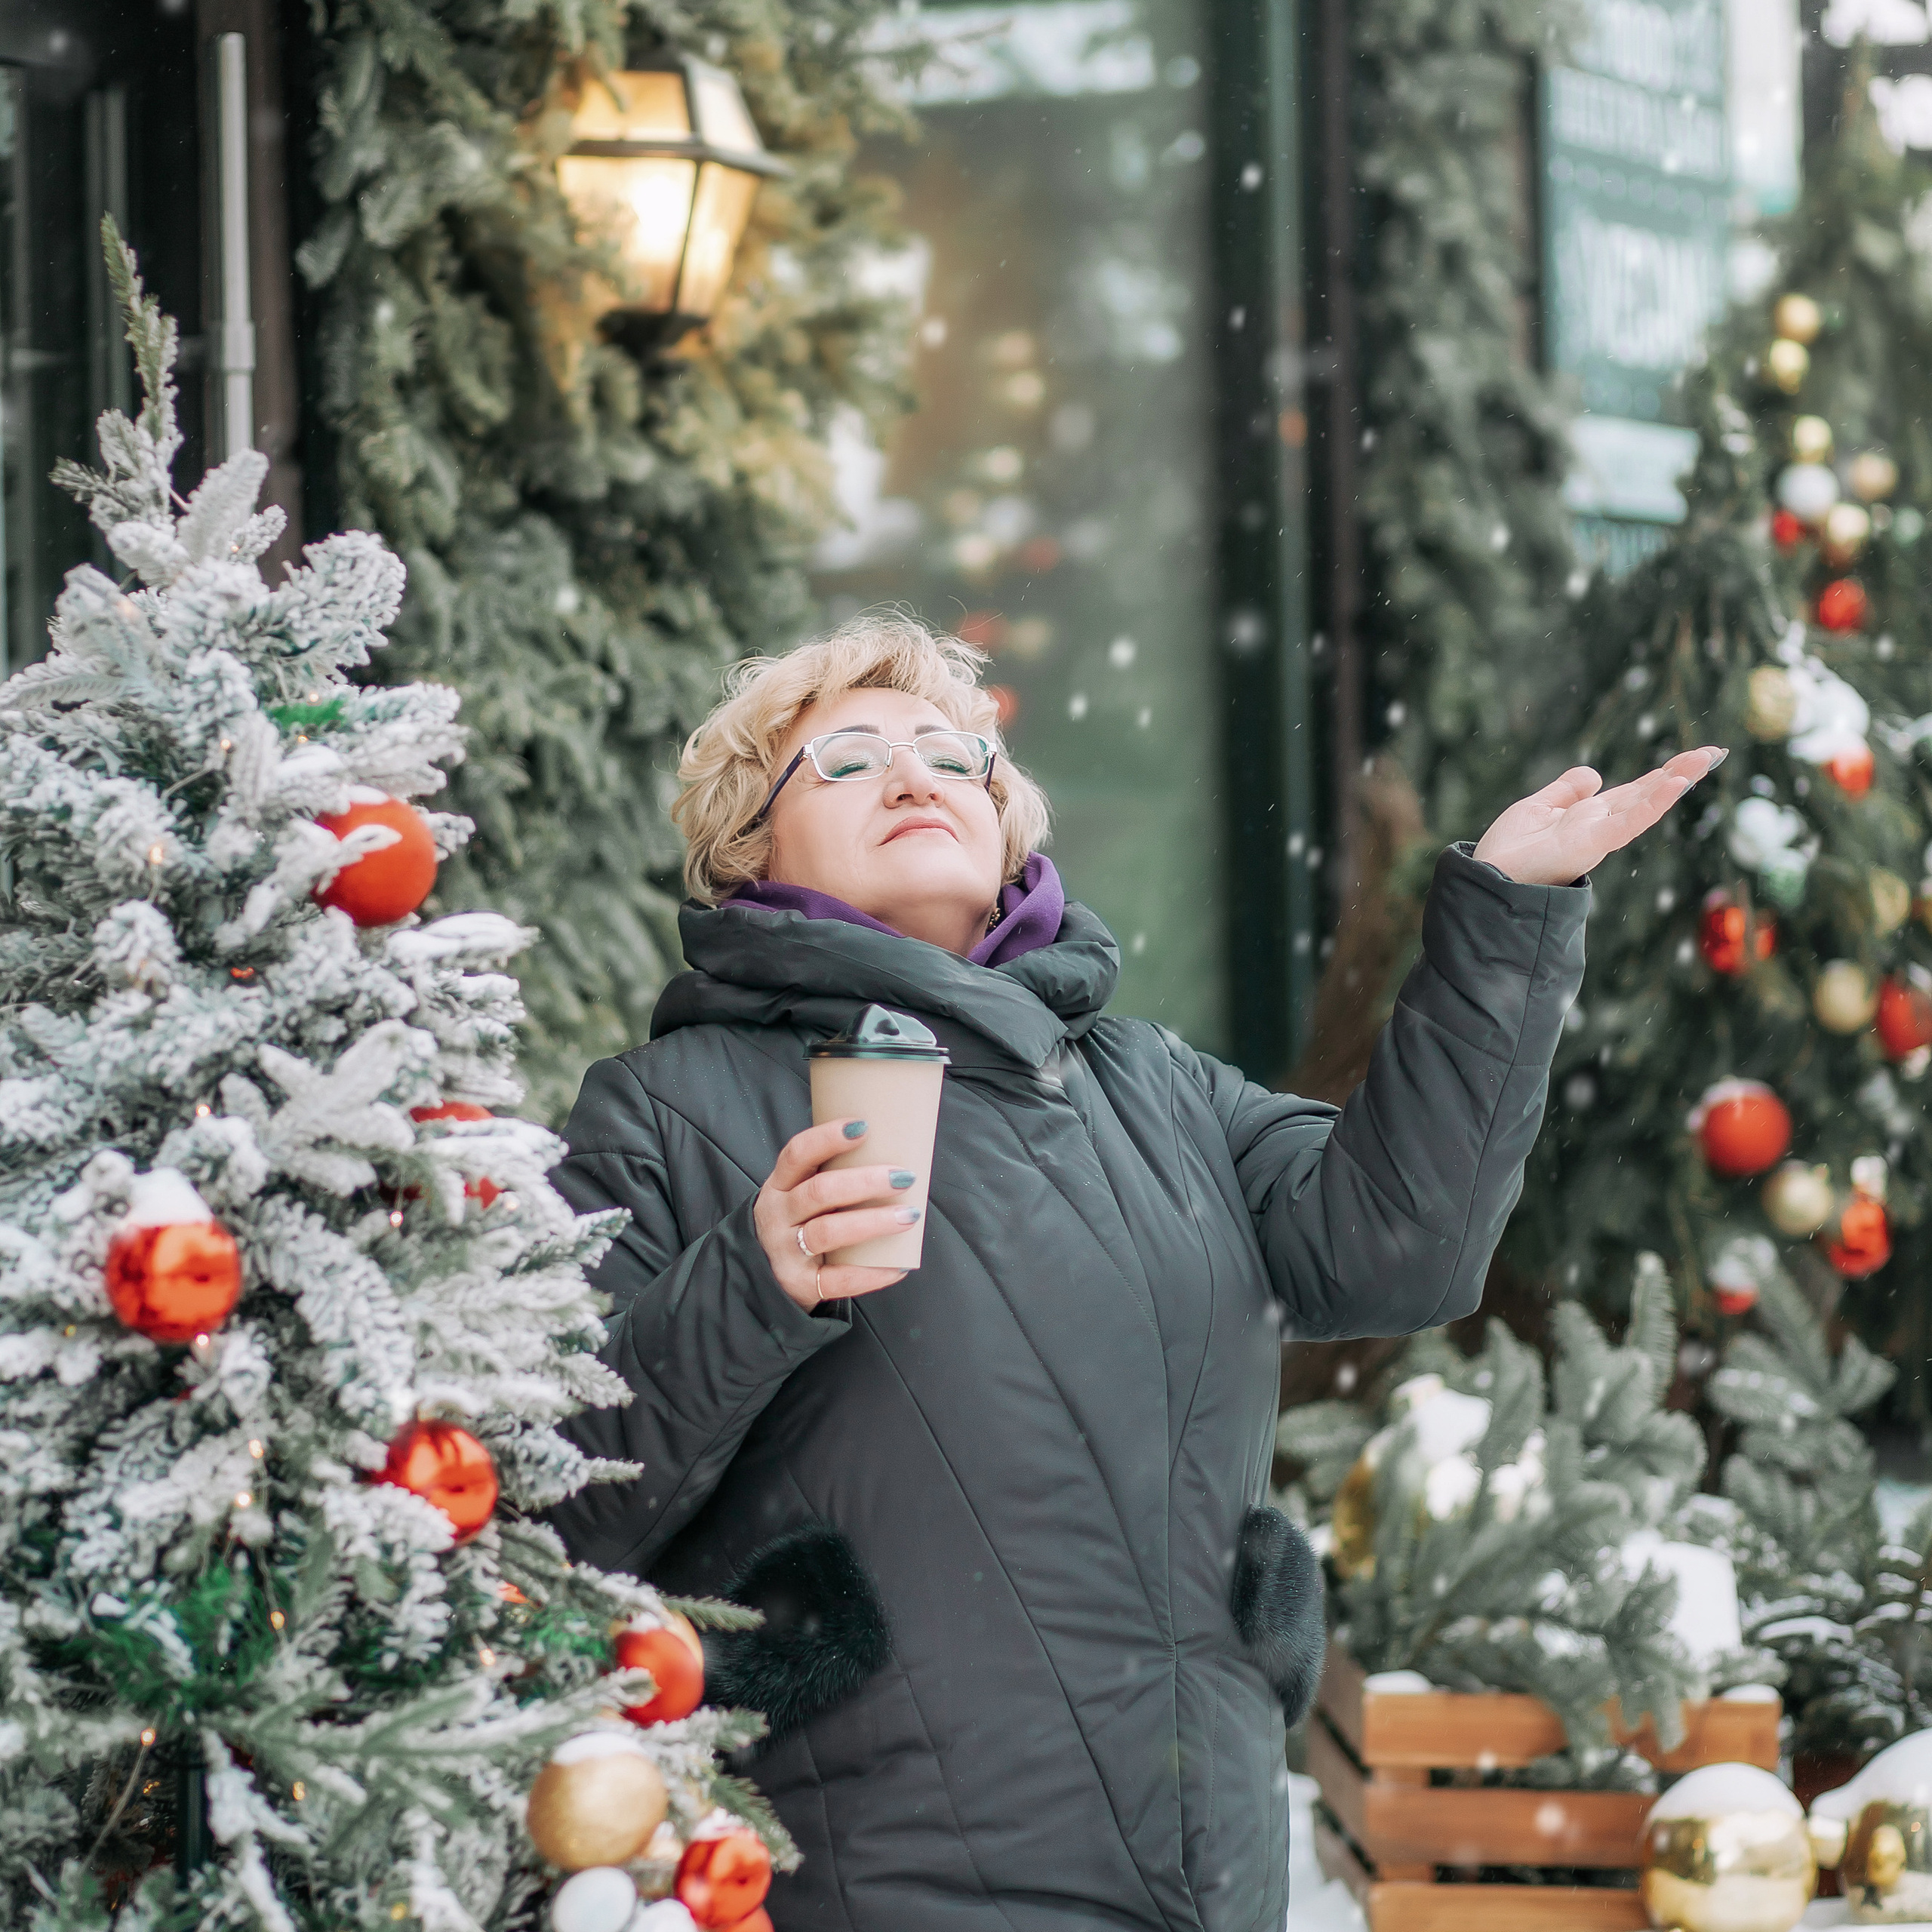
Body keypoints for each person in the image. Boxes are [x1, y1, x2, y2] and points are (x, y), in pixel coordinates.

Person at [547, 612, 1718, 1932]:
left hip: (1213, 1868)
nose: (917, 775)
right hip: (880, 1875)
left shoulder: (1155, 1084)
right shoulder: (662, 1113)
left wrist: (1505, 920)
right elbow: (561, 1500)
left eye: (951, 755)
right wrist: (750, 1285)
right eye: (846, 760)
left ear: (1007, 827)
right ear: (747, 850)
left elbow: (1402, 1246)